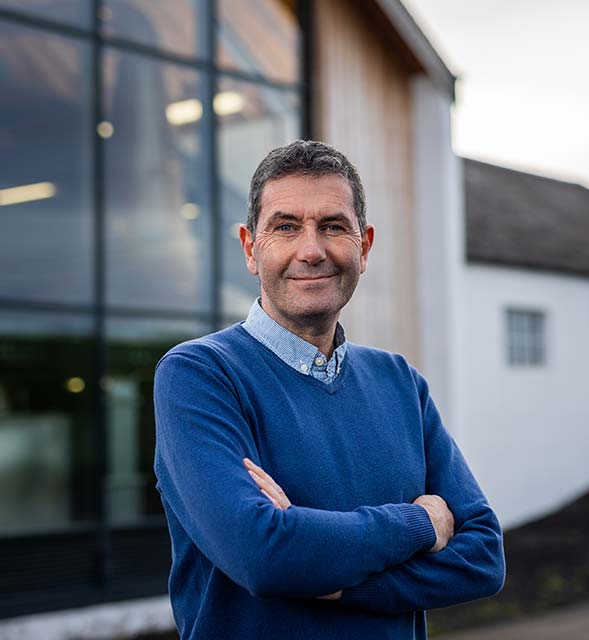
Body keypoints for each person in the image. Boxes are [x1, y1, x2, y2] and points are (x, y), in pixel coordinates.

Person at [153, 140, 505, 639]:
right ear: (251, 248)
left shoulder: (399, 382)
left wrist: (337, 579)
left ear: (364, 245)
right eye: (286, 226)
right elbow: (262, 555)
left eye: (333, 226)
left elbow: (484, 558)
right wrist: (421, 526)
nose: (312, 250)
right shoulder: (200, 375)